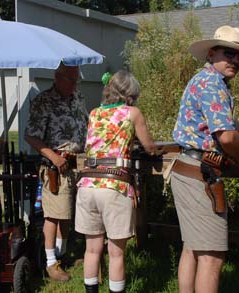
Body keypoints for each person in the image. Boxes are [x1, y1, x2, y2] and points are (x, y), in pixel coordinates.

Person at [170, 25, 239, 293]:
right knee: (211, 257)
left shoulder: (204, 79)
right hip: (202, 174)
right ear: (211, 54)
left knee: (193, 248)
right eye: (229, 53)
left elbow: (225, 121)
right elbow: (225, 137)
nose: (235, 60)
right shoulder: (213, 84)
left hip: (188, 169)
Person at [76, 70, 161, 293]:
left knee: (92, 250)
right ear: (130, 94)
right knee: (116, 253)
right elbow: (149, 146)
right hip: (114, 185)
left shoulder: (94, 113)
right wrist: (152, 150)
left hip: (87, 185)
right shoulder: (132, 113)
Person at [25, 63, 88, 281]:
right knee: (53, 215)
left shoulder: (78, 97)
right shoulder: (45, 101)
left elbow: (85, 125)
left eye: (76, 79)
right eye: (70, 79)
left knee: (67, 214)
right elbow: (31, 135)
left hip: (77, 165)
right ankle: (51, 262)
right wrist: (53, 156)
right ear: (57, 77)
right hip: (56, 167)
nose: (74, 84)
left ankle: (63, 254)